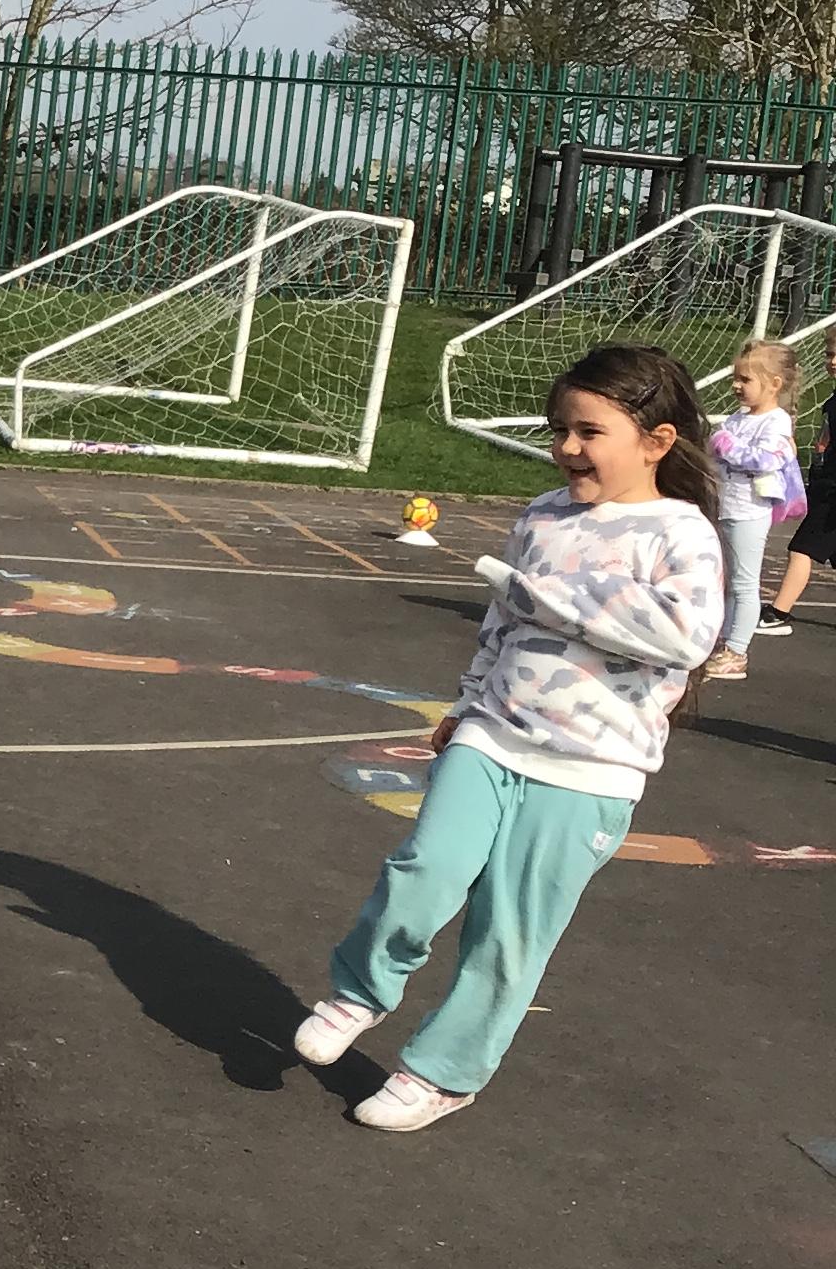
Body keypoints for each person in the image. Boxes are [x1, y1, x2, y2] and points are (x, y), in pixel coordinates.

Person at [291, 343, 722, 1135]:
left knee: (509, 932)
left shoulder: (681, 534)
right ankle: (360, 991)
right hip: (493, 735)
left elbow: (686, 637)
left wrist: (558, 599)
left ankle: (442, 1074)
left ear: (656, 441)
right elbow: (501, 622)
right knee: (426, 867)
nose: (567, 448)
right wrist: (466, 703)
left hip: (593, 769)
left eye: (589, 432)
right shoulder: (543, 516)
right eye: (559, 429)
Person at [699, 338, 804, 682]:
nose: (736, 385)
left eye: (745, 379)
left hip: (749, 511)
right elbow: (717, 455)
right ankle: (721, 642)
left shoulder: (776, 421)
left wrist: (725, 444)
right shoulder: (738, 418)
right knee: (723, 580)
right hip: (725, 506)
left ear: (774, 384)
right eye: (736, 378)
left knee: (744, 583)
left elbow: (766, 460)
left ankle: (737, 651)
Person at [758, 326, 836, 635]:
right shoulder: (832, 401)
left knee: (802, 549)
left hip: (833, 491)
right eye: (830, 354)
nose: (832, 361)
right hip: (825, 485)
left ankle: (779, 612)